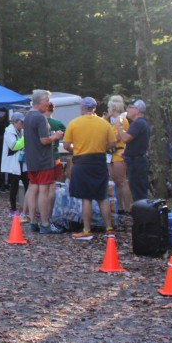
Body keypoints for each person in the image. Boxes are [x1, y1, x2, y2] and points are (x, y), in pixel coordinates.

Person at [62, 97, 116, 240]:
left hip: (82, 162)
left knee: (86, 197)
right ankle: (109, 229)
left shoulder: (74, 123)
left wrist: (76, 150)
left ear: (82, 108)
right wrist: (102, 148)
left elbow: (66, 145)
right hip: (99, 161)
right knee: (102, 196)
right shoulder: (104, 123)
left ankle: (87, 230)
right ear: (94, 108)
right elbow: (112, 143)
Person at [21, 90, 64, 233]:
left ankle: (33, 221)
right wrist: (56, 136)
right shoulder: (40, 118)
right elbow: (44, 140)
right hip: (43, 160)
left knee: (33, 189)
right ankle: (45, 224)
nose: (49, 103)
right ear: (39, 101)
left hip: (31, 160)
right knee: (44, 191)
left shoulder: (27, 116)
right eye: (47, 100)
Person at [118, 99, 151, 204]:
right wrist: (126, 152)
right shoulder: (140, 123)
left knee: (139, 194)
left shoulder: (138, 123)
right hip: (137, 161)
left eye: (130, 107)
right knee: (137, 191)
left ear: (137, 110)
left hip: (137, 163)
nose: (127, 109)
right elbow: (135, 140)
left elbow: (125, 138)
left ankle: (142, 212)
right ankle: (141, 211)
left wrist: (118, 126)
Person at [105, 95, 131, 213]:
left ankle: (127, 207)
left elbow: (116, 137)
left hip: (119, 152)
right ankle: (120, 207)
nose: (108, 110)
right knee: (116, 182)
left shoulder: (121, 120)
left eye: (109, 108)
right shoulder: (111, 121)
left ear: (113, 108)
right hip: (110, 154)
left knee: (123, 181)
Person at [1, 112, 27, 218]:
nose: (23, 124)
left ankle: (27, 209)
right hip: (14, 163)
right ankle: (13, 209)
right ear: (15, 122)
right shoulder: (9, 131)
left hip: (22, 162)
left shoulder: (21, 131)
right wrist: (25, 138)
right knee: (14, 186)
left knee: (27, 185)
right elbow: (14, 146)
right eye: (21, 122)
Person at [45, 101, 66, 181]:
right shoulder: (57, 123)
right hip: (55, 155)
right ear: (53, 110)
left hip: (41, 157)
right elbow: (68, 136)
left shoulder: (38, 122)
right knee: (55, 180)